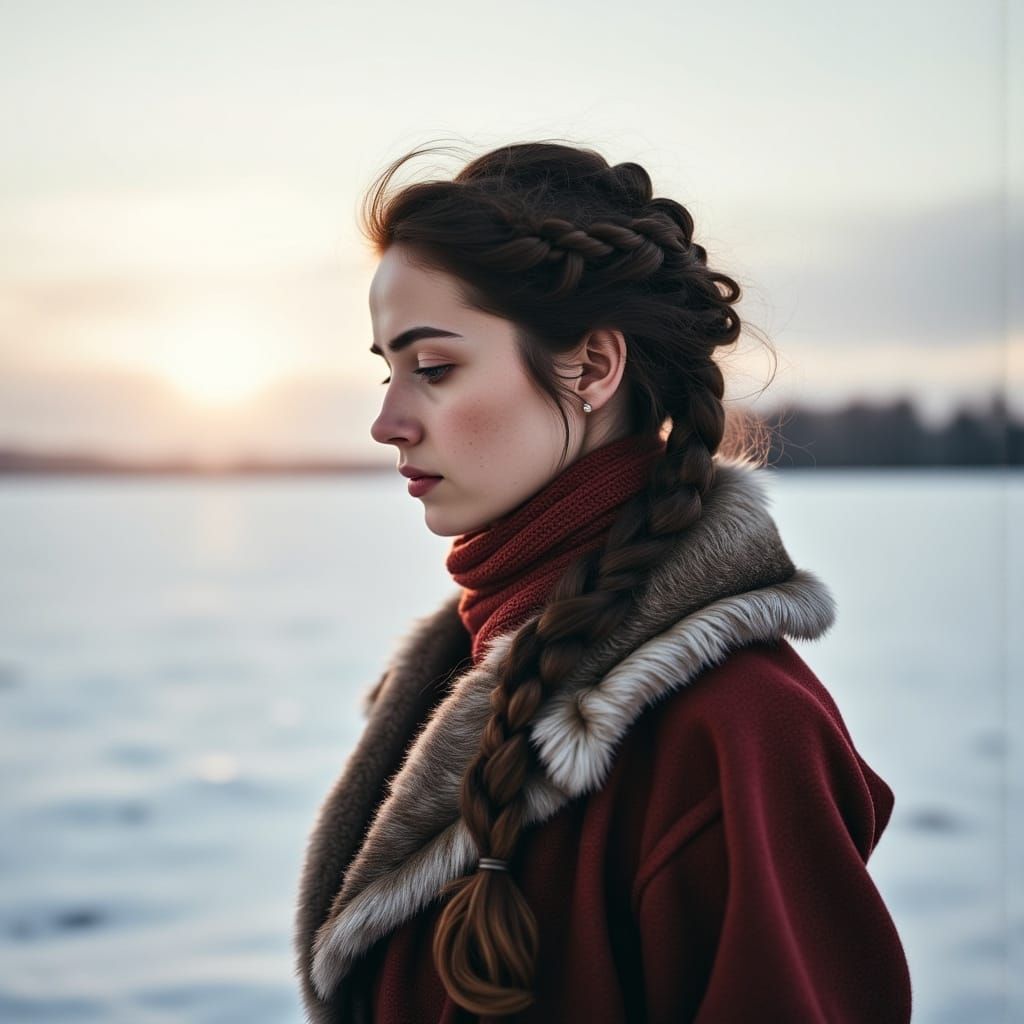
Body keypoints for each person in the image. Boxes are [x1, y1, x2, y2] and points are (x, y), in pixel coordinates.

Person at [294, 140, 913, 1023]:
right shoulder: (453, 676)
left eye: (432, 369)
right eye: (386, 370)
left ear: (590, 368)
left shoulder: (735, 729)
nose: (387, 421)